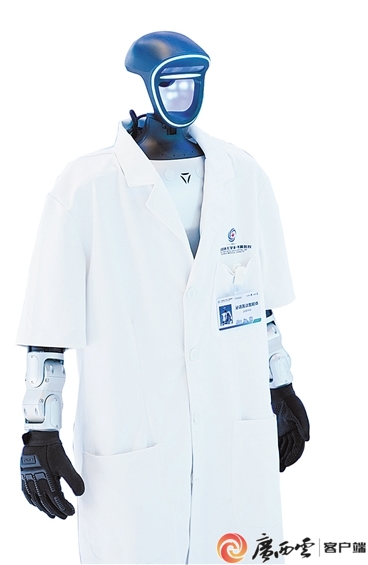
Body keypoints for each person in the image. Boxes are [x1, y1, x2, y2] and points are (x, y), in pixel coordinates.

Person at [17, 31, 309, 564]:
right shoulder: (86, 187)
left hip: (233, 428)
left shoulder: (243, 175)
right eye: (171, 84)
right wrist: (40, 430)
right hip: (135, 443)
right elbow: (49, 327)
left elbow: (258, 302)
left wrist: (281, 383)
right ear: (147, 85)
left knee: (239, 546)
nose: (184, 95)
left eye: (194, 82)